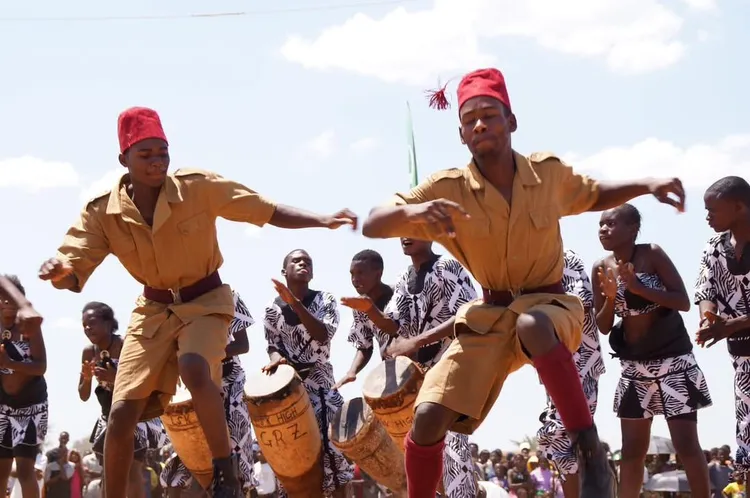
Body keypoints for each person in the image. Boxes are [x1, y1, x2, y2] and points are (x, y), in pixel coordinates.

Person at [360, 67, 686, 498]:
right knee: (426, 419)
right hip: (490, 316)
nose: (480, 124)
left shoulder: (546, 175)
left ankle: (590, 452)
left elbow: (593, 194)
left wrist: (647, 183)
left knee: (531, 324)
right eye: (470, 119)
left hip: (550, 305)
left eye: (490, 115)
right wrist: (412, 215)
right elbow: (371, 224)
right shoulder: (447, 189)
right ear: (461, 136)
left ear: (511, 121)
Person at [37, 107, 357, 498]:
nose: (157, 161)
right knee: (121, 413)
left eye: (162, 152)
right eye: (145, 154)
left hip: (206, 300)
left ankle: (226, 473)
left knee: (193, 365)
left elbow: (265, 209)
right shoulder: (104, 212)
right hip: (153, 311)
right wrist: (60, 271)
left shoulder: (197, 187)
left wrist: (322, 220)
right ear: (124, 160)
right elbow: (73, 264)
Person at [337, 242, 479, 498]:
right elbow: (394, 327)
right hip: (416, 381)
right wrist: (370, 310)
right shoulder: (405, 278)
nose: (405, 236)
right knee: (420, 455)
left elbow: (469, 314)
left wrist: (418, 341)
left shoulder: (447, 267)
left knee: (452, 452)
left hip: (450, 368)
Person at [593, 203, 711, 498]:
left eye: (611, 223)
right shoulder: (600, 267)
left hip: (674, 362)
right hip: (634, 368)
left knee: (685, 445)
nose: (604, 229)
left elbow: (682, 301)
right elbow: (604, 326)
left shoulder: (652, 254)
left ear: (632, 229)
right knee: (632, 451)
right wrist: (609, 298)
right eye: (601, 225)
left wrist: (637, 286)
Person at [262, 249, 354, 497]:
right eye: (296, 260)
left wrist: (295, 303)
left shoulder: (325, 299)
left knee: (335, 461)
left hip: (322, 386)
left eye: (308, 261)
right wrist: (276, 360)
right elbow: (272, 345)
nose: (303, 263)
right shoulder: (272, 310)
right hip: (290, 391)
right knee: (295, 464)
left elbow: (323, 335)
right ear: (285, 271)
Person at [160, 289, 258, 495]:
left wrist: (208, 353)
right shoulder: (174, 300)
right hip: (191, 385)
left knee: (234, 460)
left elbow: (242, 345)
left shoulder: (228, 295)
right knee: (188, 457)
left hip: (230, 384)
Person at [78, 301, 169, 498]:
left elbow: (145, 380)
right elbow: (83, 395)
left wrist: (115, 377)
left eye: (92, 322)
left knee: (133, 469)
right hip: (107, 417)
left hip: (133, 416)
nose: (87, 327)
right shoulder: (88, 352)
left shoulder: (126, 345)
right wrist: (86, 378)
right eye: (84, 324)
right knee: (109, 473)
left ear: (109, 323)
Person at [536, 249, 605, 498]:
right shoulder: (527, 262)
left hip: (581, 362)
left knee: (566, 435)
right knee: (561, 441)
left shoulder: (567, 259)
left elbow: (580, 304)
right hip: (550, 364)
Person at [695, 176, 750, 482]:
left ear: (739, 207)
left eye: (713, 210)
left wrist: (733, 324)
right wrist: (708, 319)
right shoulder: (715, 248)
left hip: (738, 338)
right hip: (743, 362)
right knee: (748, 444)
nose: (707, 217)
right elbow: (705, 291)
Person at [0, 275, 48, 498]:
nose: (4, 302)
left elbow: (40, 367)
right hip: (3, 406)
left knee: (24, 469)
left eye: (9, 298)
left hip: (30, 406)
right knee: (0, 470)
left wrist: (11, 364)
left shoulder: (28, 325)